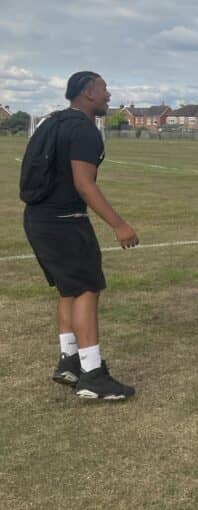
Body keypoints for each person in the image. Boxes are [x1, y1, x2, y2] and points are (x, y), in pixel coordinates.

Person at [22, 71, 140, 399]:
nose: (108, 95)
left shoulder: (53, 122)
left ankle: (69, 361)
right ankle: (92, 374)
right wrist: (119, 225)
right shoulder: (84, 130)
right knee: (87, 288)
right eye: (104, 89)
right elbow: (83, 183)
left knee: (69, 290)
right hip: (64, 221)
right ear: (88, 93)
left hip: (37, 218)